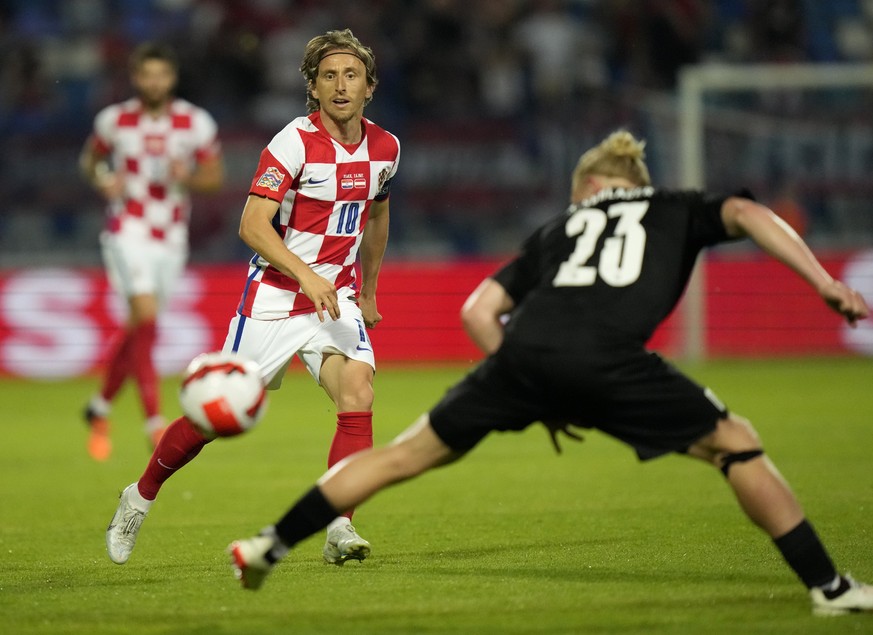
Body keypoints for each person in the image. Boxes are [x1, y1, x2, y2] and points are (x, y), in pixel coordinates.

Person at [226, 130, 873, 616]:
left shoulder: (559, 226)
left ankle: (268, 543)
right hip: (611, 360)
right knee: (735, 443)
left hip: (523, 353)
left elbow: (479, 310)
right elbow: (748, 214)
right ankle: (829, 586)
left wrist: (526, 385)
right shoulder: (676, 205)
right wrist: (822, 280)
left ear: (590, 187)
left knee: (400, 455)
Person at [105, 29, 399, 567]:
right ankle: (138, 497)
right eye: (328, 76)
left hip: (337, 298)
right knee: (209, 420)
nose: (340, 85)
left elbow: (376, 215)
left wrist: (370, 290)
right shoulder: (292, 142)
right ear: (312, 86)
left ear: (370, 87)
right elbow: (253, 225)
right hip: (276, 296)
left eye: (351, 75)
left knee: (358, 392)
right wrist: (308, 275)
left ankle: (340, 525)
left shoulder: (386, 149)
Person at [80, 42, 224, 461]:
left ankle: (100, 406)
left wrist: (190, 177)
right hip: (127, 229)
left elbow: (215, 178)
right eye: (147, 75)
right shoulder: (114, 120)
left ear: (171, 78)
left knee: (141, 327)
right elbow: (91, 161)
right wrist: (104, 179)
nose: (154, 82)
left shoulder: (195, 122)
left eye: (161, 75)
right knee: (145, 317)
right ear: (136, 77)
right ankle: (153, 422)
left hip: (171, 237)